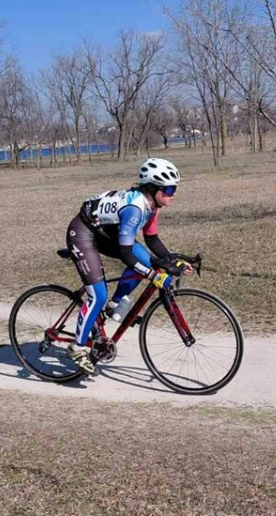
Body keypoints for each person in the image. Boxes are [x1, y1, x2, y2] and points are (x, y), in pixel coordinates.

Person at [65, 157, 192, 375]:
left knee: (146, 261)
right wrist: (152, 275)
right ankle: (76, 348)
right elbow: (125, 253)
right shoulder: (135, 208)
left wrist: (173, 260)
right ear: (153, 189)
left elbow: (152, 240)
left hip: (104, 233)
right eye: (169, 189)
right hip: (83, 234)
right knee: (98, 295)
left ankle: (114, 304)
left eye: (175, 189)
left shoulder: (153, 206)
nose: (173, 194)